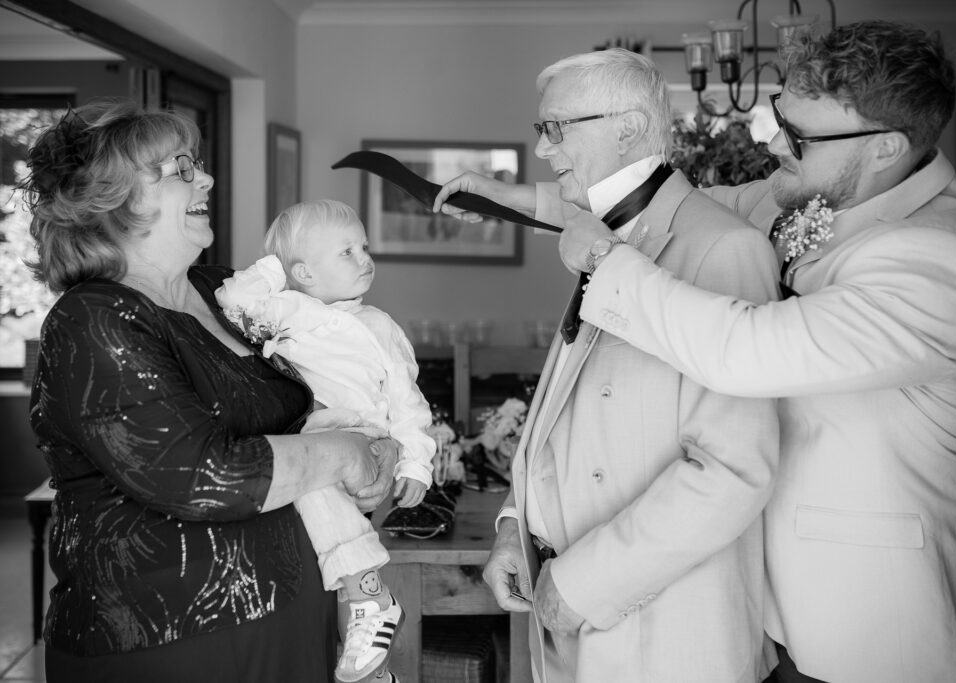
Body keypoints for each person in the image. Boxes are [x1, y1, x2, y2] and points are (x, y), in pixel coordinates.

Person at [534, 22, 956, 683]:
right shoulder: (825, 188)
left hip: (870, 628)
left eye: (799, 135)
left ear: (886, 147)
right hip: (769, 612)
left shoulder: (938, 260)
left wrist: (604, 262)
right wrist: (521, 197)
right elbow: (682, 203)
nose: (773, 143)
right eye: (778, 117)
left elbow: (743, 350)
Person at [22, 99, 400, 683]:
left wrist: (383, 445)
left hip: (296, 614)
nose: (206, 178)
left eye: (195, 163)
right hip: (174, 643)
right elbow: (206, 477)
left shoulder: (222, 290)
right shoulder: (93, 320)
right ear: (113, 197)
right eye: (180, 169)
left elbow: (332, 379)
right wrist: (346, 452)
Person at [437, 48, 781, 682]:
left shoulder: (723, 249)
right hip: (577, 626)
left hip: (668, 640)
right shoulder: (608, 235)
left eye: (557, 127)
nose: (542, 148)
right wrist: (514, 526)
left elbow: (732, 470)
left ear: (628, 127)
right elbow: (562, 417)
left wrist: (585, 586)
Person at [215, 199, 435, 682]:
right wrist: (278, 268)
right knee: (323, 557)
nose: (365, 259)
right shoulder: (289, 311)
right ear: (304, 272)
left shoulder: (380, 325)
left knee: (316, 496)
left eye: (365, 247)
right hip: (312, 437)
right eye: (347, 251)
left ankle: (370, 596)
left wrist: (416, 462)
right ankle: (374, 664)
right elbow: (234, 299)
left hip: (362, 437)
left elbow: (408, 401)